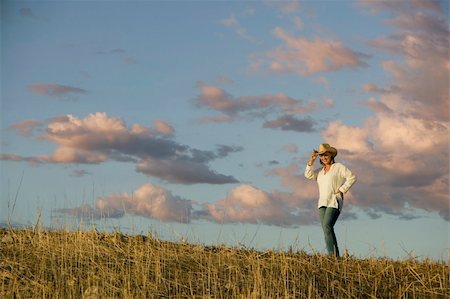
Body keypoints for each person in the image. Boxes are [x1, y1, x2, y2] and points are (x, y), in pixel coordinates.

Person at [304, 143, 356, 257]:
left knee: (327, 226)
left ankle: (334, 257)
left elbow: (352, 177)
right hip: (322, 202)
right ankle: (333, 256)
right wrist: (311, 161)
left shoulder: (338, 167)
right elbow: (308, 175)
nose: (323, 157)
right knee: (326, 229)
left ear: (331, 155)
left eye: (325, 155)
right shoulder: (320, 171)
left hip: (334, 201)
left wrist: (342, 189)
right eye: (321, 156)